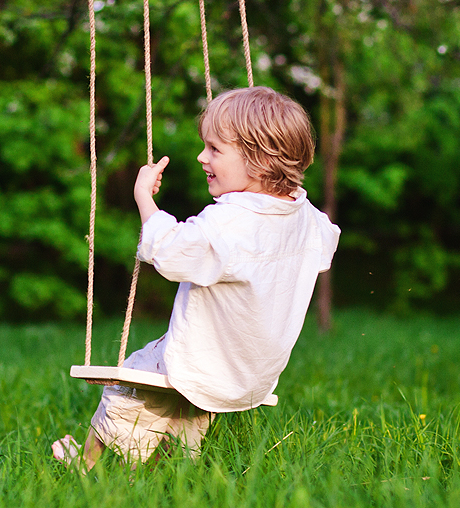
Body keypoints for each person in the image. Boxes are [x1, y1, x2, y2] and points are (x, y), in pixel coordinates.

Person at [53, 86, 340, 470]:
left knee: (133, 380)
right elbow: (325, 246)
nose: (202, 157)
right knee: (181, 407)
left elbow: (170, 253)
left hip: (204, 363)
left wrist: (145, 199)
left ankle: (85, 465)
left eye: (215, 149)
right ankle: (170, 467)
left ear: (259, 160)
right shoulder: (307, 218)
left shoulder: (229, 222)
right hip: (253, 375)